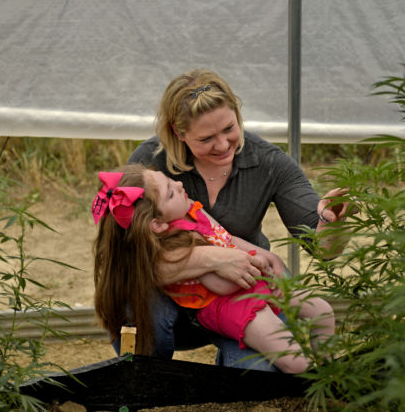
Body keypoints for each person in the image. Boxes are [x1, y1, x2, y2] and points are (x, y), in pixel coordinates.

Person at [125, 68, 353, 368]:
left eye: (229, 129)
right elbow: (125, 258)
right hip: (175, 297)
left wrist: (331, 222)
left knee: (255, 380)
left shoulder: (269, 161)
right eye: (206, 138)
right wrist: (214, 260)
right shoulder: (149, 168)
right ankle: (144, 381)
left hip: (243, 293)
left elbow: (322, 247)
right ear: (179, 133)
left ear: (237, 113)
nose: (222, 145)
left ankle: (312, 373)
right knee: (138, 308)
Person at [92, 166, 335, 373]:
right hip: (236, 305)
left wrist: (263, 256)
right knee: (292, 358)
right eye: (170, 193)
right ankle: (311, 385)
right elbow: (224, 285)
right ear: (157, 223)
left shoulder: (192, 211)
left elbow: (225, 238)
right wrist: (243, 263)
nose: (178, 184)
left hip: (253, 283)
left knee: (322, 310)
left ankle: (330, 365)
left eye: (170, 181)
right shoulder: (175, 245)